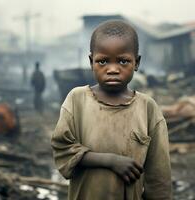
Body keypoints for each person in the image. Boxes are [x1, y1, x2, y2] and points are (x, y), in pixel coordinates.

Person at [51, 20, 171, 200]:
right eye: (103, 61)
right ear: (91, 62)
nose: (113, 69)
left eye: (123, 61)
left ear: (136, 63)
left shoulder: (147, 108)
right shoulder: (77, 100)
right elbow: (62, 148)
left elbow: (159, 176)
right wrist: (111, 161)